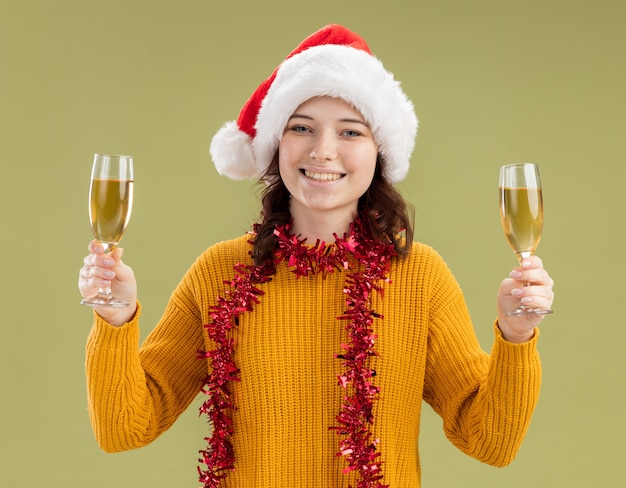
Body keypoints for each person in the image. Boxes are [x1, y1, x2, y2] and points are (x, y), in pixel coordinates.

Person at [78, 24, 554, 488]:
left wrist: (516, 336)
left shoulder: (420, 276)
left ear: (379, 152)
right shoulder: (220, 272)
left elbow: (490, 443)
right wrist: (115, 319)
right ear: (276, 145)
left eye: (350, 132)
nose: (323, 151)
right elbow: (124, 429)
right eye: (301, 127)